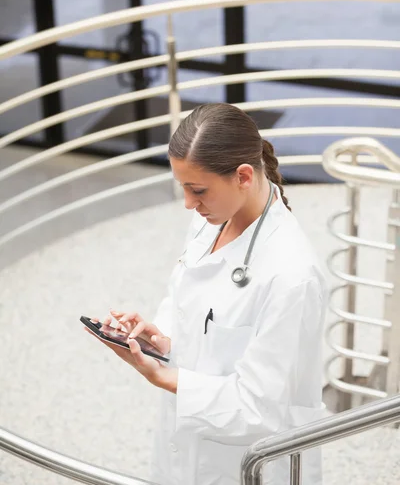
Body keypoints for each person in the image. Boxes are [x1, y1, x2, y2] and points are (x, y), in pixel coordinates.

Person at [87, 103, 328, 485]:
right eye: (183, 187)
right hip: (186, 447)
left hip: (249, 464)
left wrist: (165, 377)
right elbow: (188, 303)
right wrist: (162, 338)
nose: (188, 203)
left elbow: (258, 408)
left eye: (197, 190)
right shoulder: (209, 222)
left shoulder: (292, 276)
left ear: (244, 176)